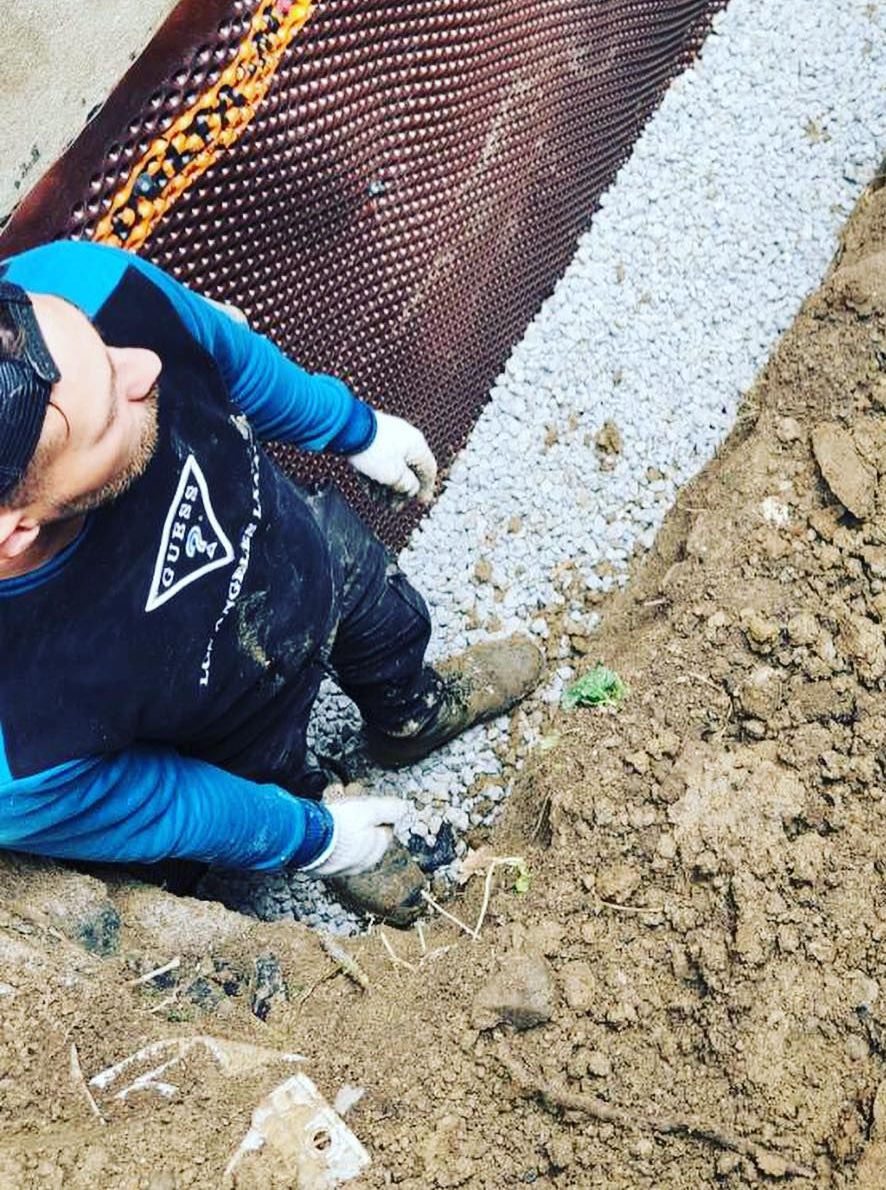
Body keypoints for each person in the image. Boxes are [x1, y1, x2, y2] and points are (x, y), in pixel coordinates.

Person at [0, 239, 541, 924]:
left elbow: (219, 349)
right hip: (226, 724)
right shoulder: (15, 740)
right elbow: (164, 801)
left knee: (390, 620)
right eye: (110, 411)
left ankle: (409, 714)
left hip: (298, 548)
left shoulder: (85, 285)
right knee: (284, 781)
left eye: (103, 348)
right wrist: (313, 840)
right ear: (13, 529)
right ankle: (351, 835)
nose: (143, 365)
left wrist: (351, 428)